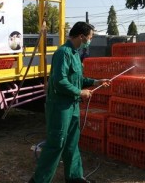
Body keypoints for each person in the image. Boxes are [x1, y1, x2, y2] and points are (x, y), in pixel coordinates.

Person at [28, 22, 110, 183]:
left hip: (72, 106)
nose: (90, 40)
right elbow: (59, 81)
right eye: (90, 37)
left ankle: (74, 177)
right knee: (56, 143)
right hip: (60, 106)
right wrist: (80, 92)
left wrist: (96, 82)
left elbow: (77, 79)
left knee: (72, 142)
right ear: (81, 36)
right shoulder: (63, 53)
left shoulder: (75, 54)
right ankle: (39, 180)